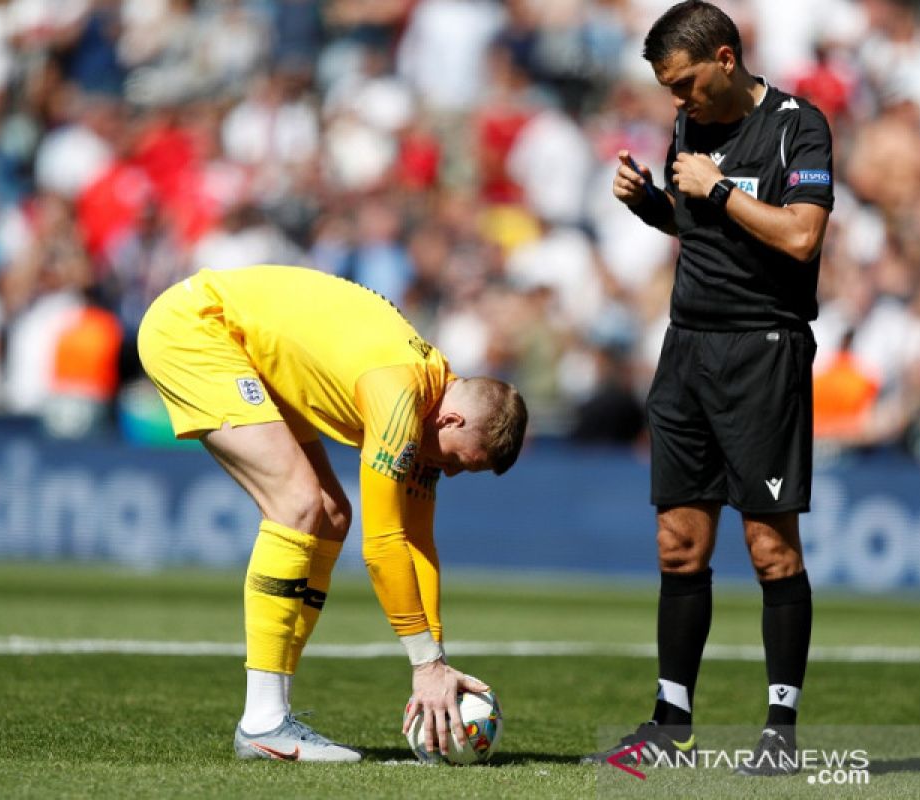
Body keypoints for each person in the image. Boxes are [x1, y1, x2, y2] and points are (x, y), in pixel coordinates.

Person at [580, 1, 834, 777]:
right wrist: (655, 204)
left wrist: (717, 189)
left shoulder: (799, 124)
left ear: (725, 58)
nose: (676, 102)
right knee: (678, 545)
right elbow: (705, 233)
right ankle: (670, 723)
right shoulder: (692, 126)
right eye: (667, 89)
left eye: (685, 83)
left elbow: (799, 234)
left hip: (763, 351)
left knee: (769, 547)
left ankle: (780, 733)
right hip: (686, 351)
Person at [137, 264, 528, 762]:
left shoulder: (432, 405)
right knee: (297, 503)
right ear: (452, 419)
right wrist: (424, 664)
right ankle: (264, 722)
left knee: (330, 513)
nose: (447, 473)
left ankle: (272, 713)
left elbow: (418, 544)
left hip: (249, 349)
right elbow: (384, 545)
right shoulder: (400, 399)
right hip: (197, 328)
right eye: (455, 461)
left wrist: (436, 659)